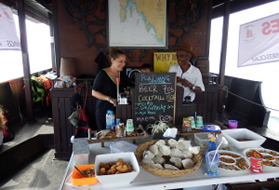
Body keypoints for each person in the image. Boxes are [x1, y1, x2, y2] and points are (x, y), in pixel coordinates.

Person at [92, 48, 130, 130]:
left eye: (124, 62)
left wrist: (128, 92)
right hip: (105, 111)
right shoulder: (102, 74)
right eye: (121, 61)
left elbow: (126, 88)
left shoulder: (122, 74)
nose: (123, 64)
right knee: (106, 135)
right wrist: (109, 99)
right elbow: (94, 92)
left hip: (120, 110)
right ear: (112, 60)